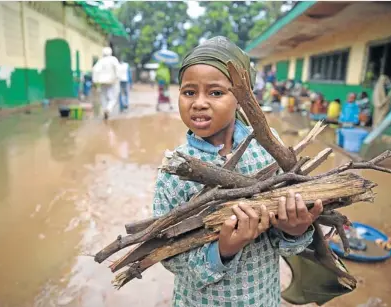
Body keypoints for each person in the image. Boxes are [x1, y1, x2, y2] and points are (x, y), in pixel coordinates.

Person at [152, 36, 322, 306]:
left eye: (215, 92)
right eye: (189, 92)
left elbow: (288, 242)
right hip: (201, 301)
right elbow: (166, 253)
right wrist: (223, 249)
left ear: (243, 99)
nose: (199, 103)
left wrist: (295, 229)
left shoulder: (268, 148)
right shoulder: (175, 169)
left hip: (262, 297)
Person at [92, 47, 120, 120]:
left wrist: (95, 81)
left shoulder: (101, 61)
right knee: (113, 97)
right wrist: (117, 77)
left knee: (103, 96)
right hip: (112, 81)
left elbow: (95, 70)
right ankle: (108, 109)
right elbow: (117, 68)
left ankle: (105, 109)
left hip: (102, 81)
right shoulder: (113, 59)